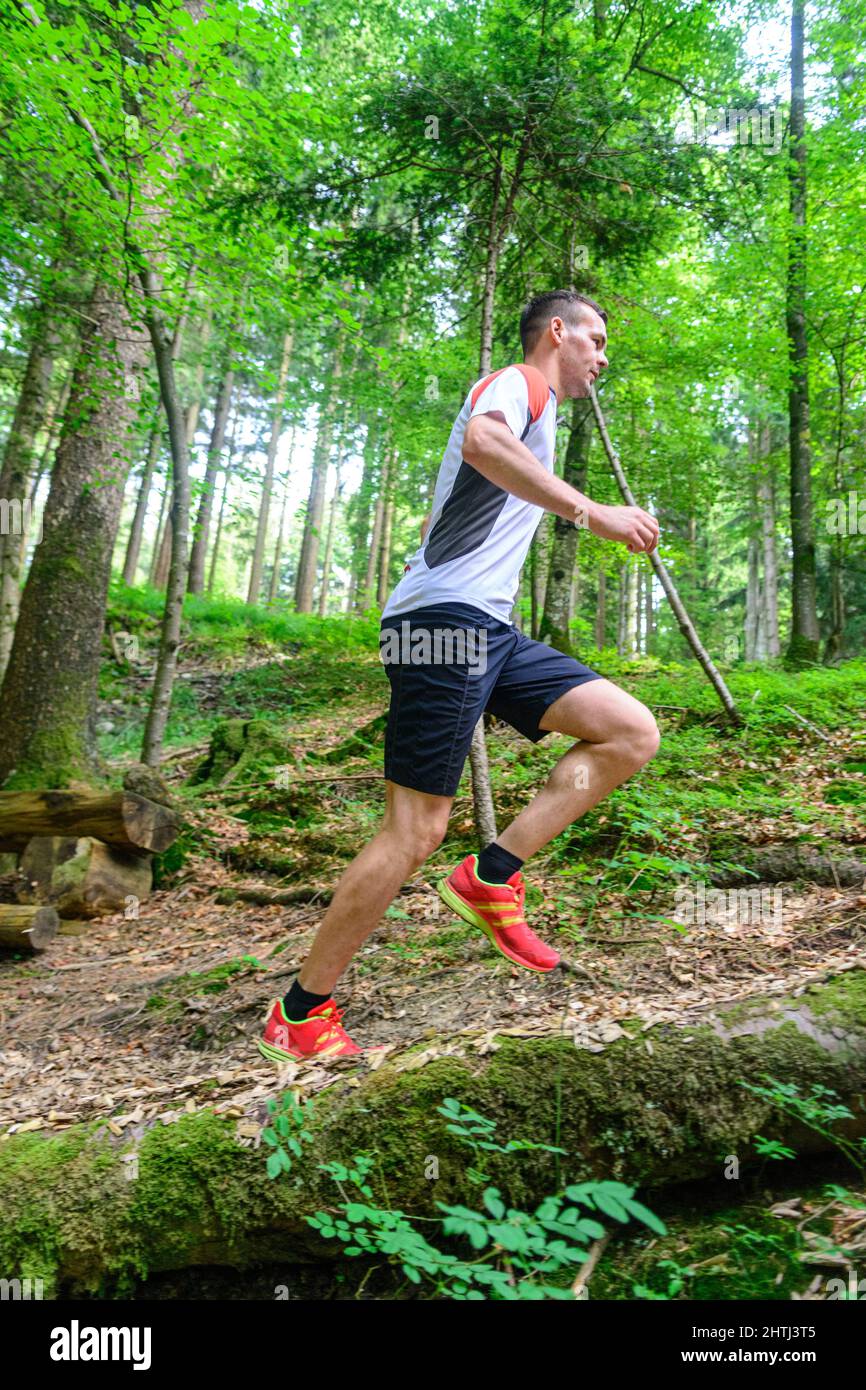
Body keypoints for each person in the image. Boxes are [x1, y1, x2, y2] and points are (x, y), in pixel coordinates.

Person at [259, 289, 660, 1063]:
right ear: (557, 333)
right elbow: (480, 440)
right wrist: (593, 512)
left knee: (628, 731)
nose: (603, 356)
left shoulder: (540, 418)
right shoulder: (520, 382)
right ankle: (301, 1014)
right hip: (440, 628)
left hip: (486, 628)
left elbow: (471, 490)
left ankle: (491, 877)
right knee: (415, 831)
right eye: (597, 339)